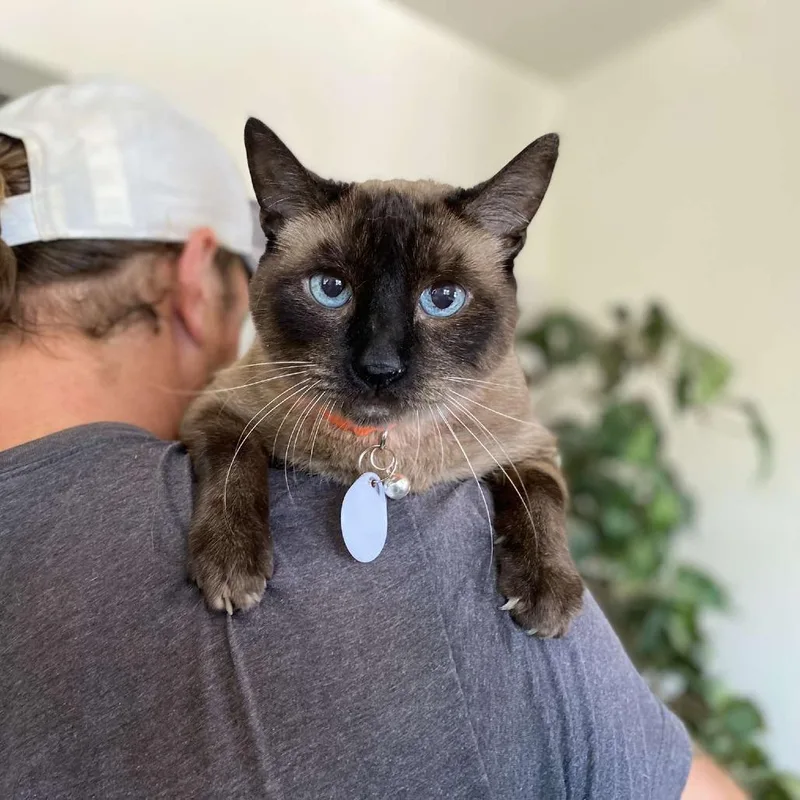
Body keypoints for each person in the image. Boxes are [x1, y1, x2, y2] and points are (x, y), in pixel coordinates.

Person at [0, 78, 735, 799]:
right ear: (200, 282)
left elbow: (530, 453)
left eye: (443, 299)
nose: (380, 358)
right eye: (329, 289)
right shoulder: (444, 550)